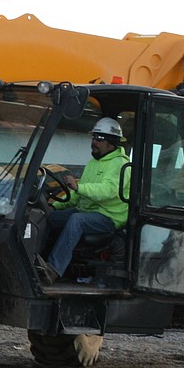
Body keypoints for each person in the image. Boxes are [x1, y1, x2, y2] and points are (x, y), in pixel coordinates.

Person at [41, 117, 130, 283]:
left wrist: (78, 187)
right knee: (48, 217)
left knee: (77, 220)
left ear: (112, 142)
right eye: (94, 137)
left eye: (99, 138)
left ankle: (54, 269)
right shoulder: (93, 163)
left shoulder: (120, 164)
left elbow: (107, 191)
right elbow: (78, 194)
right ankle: (35, 261)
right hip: (89, 211)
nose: (94, 141)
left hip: (109, 217)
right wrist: (55, 206)